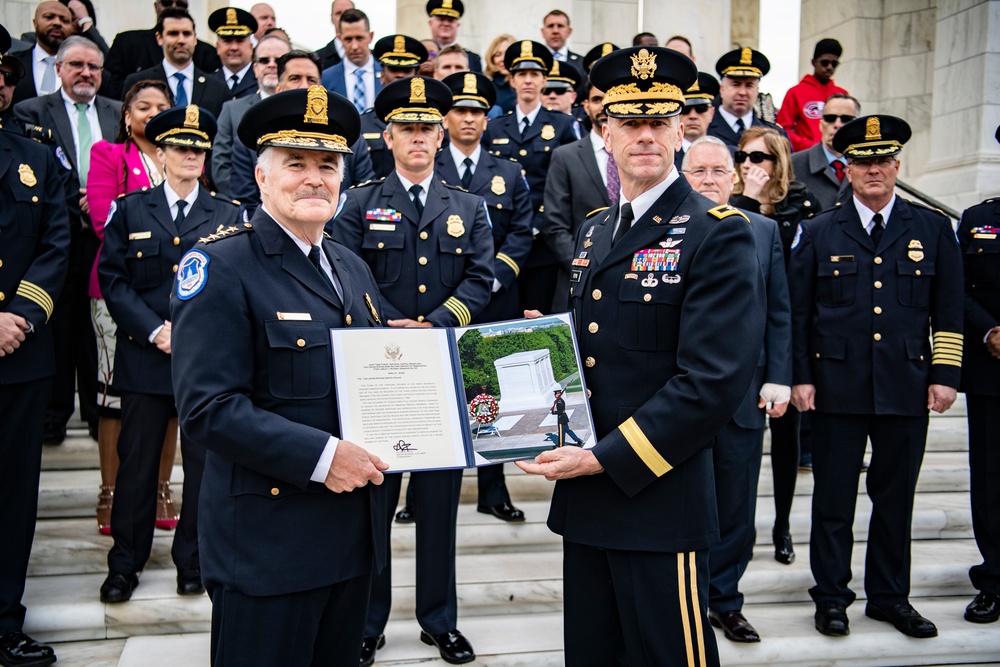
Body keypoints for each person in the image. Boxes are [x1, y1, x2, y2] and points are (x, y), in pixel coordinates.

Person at [517, 45, 765, 666]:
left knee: (668, 656)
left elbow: (711, 382)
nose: (646, 135)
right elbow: (585, 352)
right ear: (606, 133)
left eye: (660, 121)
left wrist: (603, 459)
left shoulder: (717, 230)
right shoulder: (597, 227)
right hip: (586, 495)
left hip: (657, 492)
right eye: (630, 121)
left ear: (682, 130)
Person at [170, 85, 389, 666]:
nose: (315, 178)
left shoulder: (352, 266)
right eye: (297, 164)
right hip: (268, 547)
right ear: (262, 177)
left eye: (328, 165)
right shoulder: (219, 264)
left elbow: (386, 377)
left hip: (352, 538)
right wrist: (324, 457)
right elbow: (207, 408)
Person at [332, 75, 493, 666]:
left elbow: (482, 276)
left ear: (441, 133)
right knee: (375, 503)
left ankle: (438, 620)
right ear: (389, 135)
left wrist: (438, 321)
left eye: (429, 128)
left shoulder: (468, 206)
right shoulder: (358, 202)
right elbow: (347, 270)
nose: (420, 138)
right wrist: (392, 323)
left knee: (439, 505)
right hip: (381, 370)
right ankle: (369, 622)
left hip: (444, 372)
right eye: (409, 129)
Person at [789, 114, 963, 639]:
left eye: (883, 160)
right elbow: (799, 315)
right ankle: (832, 597)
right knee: (834, 501)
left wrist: (946, 372)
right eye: (863, 161)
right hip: (836, 387)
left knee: (895, 499)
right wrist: (800, 377)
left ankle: (890, 597)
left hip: (907, 385)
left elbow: (948, 309)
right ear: (846, 167)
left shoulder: (932, 228)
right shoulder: (818, 231)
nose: (874, 170)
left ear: (897, 165)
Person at [97, 104, 239, 605]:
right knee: (136, 465)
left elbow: (234, 287)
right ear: (159, 153)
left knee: (204, 465)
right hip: (145, 357)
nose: (191, 155)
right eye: (181, 147)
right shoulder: (131, 209)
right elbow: (112, 280)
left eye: (199, 148)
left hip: (204, 365)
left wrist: (195, 336)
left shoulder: (228, 215)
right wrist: (155, 330)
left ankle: (193, 560)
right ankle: (125, 564)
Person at [683, 135, 791, 644]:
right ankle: (684, 598)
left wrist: (779, 376)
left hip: (745, 396)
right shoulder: (670, 229)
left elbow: (779, 309)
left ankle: (724, 600)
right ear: (684, 178)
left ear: (736, 177)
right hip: (679, 397)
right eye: (698, 172)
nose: (709, 180)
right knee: (682, 500)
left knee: (736, 507)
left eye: (718, 171)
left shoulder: (765, 231)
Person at [0, 22, 71, 667]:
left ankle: (3, 621)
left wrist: (16, 316)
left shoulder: (38, 158)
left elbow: (56, 246)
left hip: (18, 353)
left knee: (13, 494)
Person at [13, 34, 120, 444]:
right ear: (58, 69)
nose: (86, 73)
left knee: (95, 329)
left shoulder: (115, 111)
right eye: (76, 65)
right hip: (54, 236)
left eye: (93, 67)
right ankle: (54, 417)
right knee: (57, 326)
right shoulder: (32, 111)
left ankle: (97, 415)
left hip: (103, 238)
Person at [438, 70, 534, 523]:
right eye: (461, 110)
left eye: (478, 111)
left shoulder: (509, 171)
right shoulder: (427, 164)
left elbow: (520, 232)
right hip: (441, 303)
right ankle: (426, 494)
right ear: (446, 117)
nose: (470, 119)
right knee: (438, 392)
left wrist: (493, 277)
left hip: (495, 297)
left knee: (491, 393)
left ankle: (493, 492)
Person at [86, 80, 177, 535]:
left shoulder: (182, 156)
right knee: (115, 397)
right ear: (126, 115)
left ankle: (161, 488)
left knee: (173, 401)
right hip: (119, 294)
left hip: (176, 299)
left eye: (163, 106)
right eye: (144, 106)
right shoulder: (109, 154)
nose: (153, 113)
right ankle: (112, 493)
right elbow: (105, 218)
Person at [483, 40, 576, 313]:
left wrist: (537, 223)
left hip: (544, 243)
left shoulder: (564, 126)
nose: (527, 81)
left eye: (534, 74)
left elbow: (566, 184)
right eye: (521, 74)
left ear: (544, 79)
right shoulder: (495, 128)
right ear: (511, 80)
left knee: (540, 318)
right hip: (504, 244)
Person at [229, 50, 374, 215]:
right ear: (278, 87)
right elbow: (246, 205)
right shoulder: (254, 142)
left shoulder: (349, 141)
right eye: (294, 78)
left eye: (311, 80)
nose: (304, 86)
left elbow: (362, 199)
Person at [957, 144, 1000, 624]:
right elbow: (957, 288)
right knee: (990, 482)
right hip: (993, 371)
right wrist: (989, 330)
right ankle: (995, 580)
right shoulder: (977, 219)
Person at [542, 76, 612, 312]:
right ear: (585, 106)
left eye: (609, 100)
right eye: (596, 99)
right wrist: (585, 266)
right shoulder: (565, 157)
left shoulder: (638, 155)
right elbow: (554, 226)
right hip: (577, 282)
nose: (603, 106)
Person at [211, 34, 289, 196]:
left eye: (279, 60)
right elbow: (220, 165)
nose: (272, 65)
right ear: (255, 68)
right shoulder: (231, 110)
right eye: (264, 60)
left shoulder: (302, 110)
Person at [730, 126, 821, 264]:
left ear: (777, 162)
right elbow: (734, 245)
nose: (746, 165)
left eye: (756, 157)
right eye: (741, 157)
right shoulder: (729, 198)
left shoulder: (800, 199)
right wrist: (748, 198)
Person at [122, 7, 229, 120]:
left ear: (195, 38)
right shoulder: (137, 83)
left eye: (186, 34)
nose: (181, 40)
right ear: (159, 38)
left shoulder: (218, 87)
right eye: (173, 34)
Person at [104, 0, 221, 100]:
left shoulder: (207, 52)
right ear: (156, 6)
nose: (174, 7)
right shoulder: (127, 43)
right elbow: (112, 90)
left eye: (181, 4)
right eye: (167, 2)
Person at [358, 35, 428, 181]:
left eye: (407, 70)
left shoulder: (431, 123)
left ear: (417, 77)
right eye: (393, 69)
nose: (400, 75)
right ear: (382, 76)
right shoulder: (362, 124)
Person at [776, 38, 848, 153]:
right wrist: (811, 147)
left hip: (836, 157)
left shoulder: (843, 95)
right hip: (805, 156)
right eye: (825, 62)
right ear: (814, 62)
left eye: (834, 64)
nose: (829, 67)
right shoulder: (795, 92)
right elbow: (783, 129)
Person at [707, 47, 787, 149]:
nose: (742, 92)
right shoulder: (703, 129)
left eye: (749, 85)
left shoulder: (776, 134)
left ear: (757, 90)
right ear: (722, 89)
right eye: (736, 84)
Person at [790, 93, 858, 209]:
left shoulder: (868, 166)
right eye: (830, 118)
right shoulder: (793, 164)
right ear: (821, 124)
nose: (837, 124)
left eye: (846, 119)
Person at [8, 1, 73, 105]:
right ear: (35, 23)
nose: (57, 23)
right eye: (49, 17)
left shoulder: (82, 69)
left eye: (64, 20)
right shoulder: (13, 64)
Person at [320, 8, 381, 112]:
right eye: (348, 39)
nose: (354, 46)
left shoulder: (388, 76)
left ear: (370, 37)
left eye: (359, 38)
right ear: (339, 38)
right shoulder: (325, 79)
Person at [208, 7, 258, 101]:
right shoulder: (207, 84)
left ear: (251, 47)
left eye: (240, 41)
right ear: (218, 47)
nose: (234, 47)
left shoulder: (262, 80)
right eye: (227, 41)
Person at [675, 71, 719, 170]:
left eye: (701, 108)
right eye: (686, 110)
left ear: (711, 113)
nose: (693, 116)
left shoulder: (727, 153)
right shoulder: (666, 157)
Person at [426, 0, 481, 73]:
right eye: (441, 19)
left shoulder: (472, 58)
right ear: (430, 23)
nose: (446, 24)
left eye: (450, 20)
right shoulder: (420, 54)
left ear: (458, 25)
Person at [315, 0, 355, 70]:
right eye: (338, 13)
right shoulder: (317, 59)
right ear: (332, 18)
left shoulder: (374, 57)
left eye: (348, 12)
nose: (343, 17)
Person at [483, 33, 514, 116]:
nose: (503, 59)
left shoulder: (527, 85)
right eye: (498, 55)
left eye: (508, 54)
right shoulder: (488, 90)